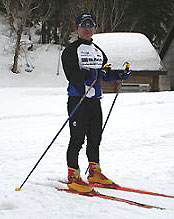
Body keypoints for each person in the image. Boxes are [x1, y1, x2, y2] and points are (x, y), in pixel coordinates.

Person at [61, 12, 130, 193]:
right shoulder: (70, 51)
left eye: (90, 25)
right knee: (77, 139)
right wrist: (91, 74)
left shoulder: (99, 51)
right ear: (77, 28)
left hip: (94, 101)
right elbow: (73, 76)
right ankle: (73, 175)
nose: (87, 29)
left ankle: (95, 172)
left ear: (95, 28)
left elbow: (104, 73)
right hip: (78, 100)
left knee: (95, 138)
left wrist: (118, 75)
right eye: (83, 25)